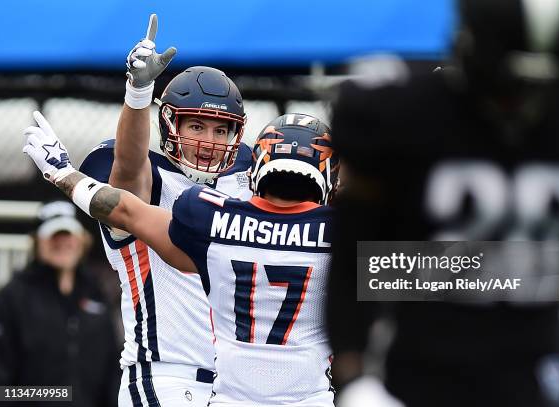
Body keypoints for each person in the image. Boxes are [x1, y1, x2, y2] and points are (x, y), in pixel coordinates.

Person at [327, 0, 559, 406]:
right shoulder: (403, 114)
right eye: (509, 84)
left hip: (530, 377)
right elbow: (354, 264)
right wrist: (355, 379)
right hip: (413, 376)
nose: (522, 102)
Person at [23, 111, 339, 406]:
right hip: (310, 399)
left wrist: (62, 173)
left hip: (231, 398)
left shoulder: (215, 220)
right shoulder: (345, 233)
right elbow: (385, 291)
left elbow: (125, 210)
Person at [78, 15, 253, 406]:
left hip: (239, 386)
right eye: (197, 126)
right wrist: (139, 93)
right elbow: (126, 167)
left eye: (220, 130)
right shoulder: (153, 179)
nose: (209, 141)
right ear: (170, 123)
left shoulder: (246, 185)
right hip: (167, 377)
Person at [0, 201, 119, 407]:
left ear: (82, 240)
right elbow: (1, 390)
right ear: (37, 242)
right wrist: (57, 396)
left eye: (68, 235)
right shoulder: (13, 297)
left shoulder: (97, 294)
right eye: (54, 236)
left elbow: (112, 375)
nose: (62, 243)